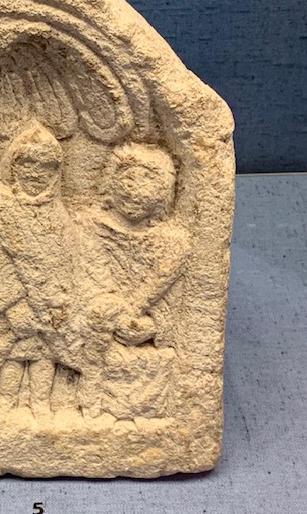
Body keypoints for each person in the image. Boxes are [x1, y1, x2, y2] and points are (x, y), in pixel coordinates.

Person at [78, 142, 190, 420]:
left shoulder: (171, 244)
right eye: (128, 179)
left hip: (146, 341)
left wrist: (152, 326)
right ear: (111, 183)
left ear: (163, 192)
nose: (135, 191)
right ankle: (89, 403)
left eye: (148, 182)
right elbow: (84, 284)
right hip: (97, 332)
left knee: (158, 366)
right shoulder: (90, 230)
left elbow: (181, 307)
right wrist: (113, 316)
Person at [0, 120, 80, 421]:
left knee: (43, 359)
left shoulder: (59, 217)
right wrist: (14, 307)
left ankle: (41, 404)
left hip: (48, 313)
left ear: (56, 173)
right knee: (11, 358)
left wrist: (53, 305)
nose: (36, 173)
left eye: (46, 167)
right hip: (11, 310)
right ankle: (5, 404)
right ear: (12, 166)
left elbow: (67, 264)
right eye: (27, 164)